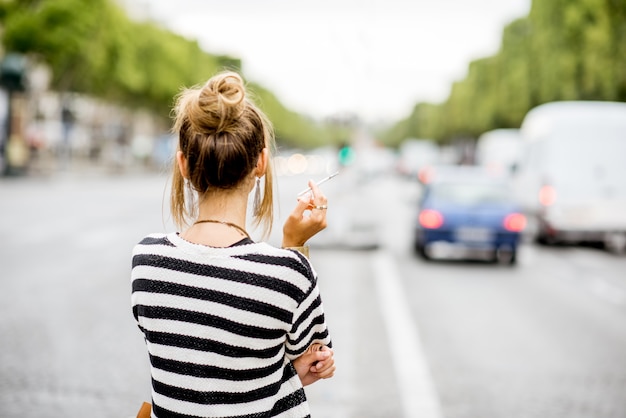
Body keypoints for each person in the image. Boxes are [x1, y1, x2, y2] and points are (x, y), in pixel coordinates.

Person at [131, 71, 335, 418]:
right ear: (260, 162)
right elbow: (313, 359)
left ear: (183, 164)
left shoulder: (147, 260)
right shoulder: (288, 273)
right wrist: (295, 246)